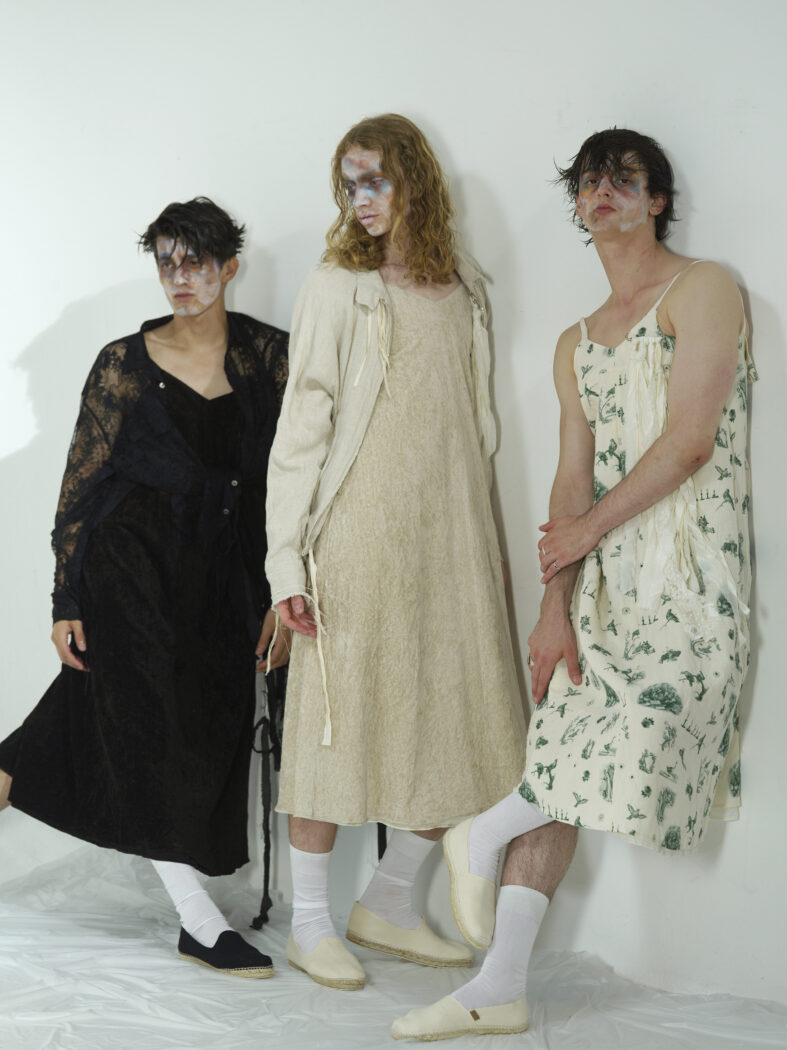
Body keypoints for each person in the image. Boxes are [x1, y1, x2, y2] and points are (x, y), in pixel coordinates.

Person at [392, 128, 756, 1040]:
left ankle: (477, 833)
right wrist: (552, 608)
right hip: (597, 585)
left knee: (649, 731)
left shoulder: (702, 289)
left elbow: (690, 441)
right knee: (556, 759)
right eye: (588, 182)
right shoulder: (573, 344)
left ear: (655, 200)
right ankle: (500, 986)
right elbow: (568, 484)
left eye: (622, 179)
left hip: (690, 570)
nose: (602, 192)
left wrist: (586, 530)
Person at [265, 114, 527, 991]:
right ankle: (309, 923)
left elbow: (473, 431)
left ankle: (388, 902)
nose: (360, 200)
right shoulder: (338, 285)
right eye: (348, 185)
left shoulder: (466, 286)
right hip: (358, 533)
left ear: (415, 176)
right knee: (335, 722)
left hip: (448, 534)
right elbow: (301, 429)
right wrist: (285, 563)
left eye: (373, 179)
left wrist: (487, 541)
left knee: (459, 719)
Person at [0, 198, 290, 979]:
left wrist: (283, 586)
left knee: (86, 730)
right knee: (146, 731)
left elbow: (292, 479)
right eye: (166, 261)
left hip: (224, 578)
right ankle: (199, 923)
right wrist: (65, 599)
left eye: (195, 261)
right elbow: (81, 487)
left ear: (230, 267)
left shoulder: (269, 356)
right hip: (128, 566)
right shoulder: (123, 363)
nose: (179, 276)